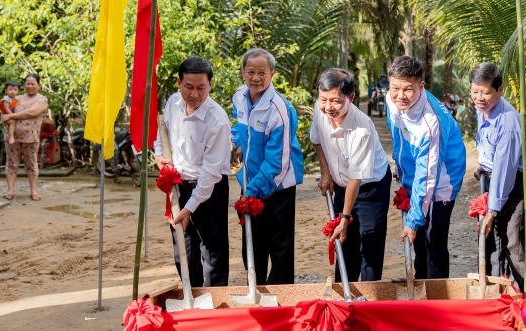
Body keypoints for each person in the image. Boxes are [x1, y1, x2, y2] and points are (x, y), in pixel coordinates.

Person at [386, 56, 466, 279]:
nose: (400, 96)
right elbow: (397, 134)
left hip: (442, 182)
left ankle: (438, 299)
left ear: (421, 87)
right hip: (415, 177)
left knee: (433, 244)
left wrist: (412, 220)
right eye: (395, 88)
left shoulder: (430, 124)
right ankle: (421, 289)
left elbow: (428, 177)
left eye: (408, 89)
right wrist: (401, 172)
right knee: (418, 243)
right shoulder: (391, 100)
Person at [154, 57, 231, 287]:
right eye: (188, 87)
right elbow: (162, 135)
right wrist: (159, 155)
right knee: (183, 251)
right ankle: (194, 297)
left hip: (210, 191)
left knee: (212, 252)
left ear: (210, 84)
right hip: (179, 186)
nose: (194, 94)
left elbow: (210, 175)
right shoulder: (173, 103)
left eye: (201, 88)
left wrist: (189, 209)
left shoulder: (217, 120)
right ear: (178, 83)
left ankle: (216, 305)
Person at [231, 48, 304, 285]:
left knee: (279, 247)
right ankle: (257, 289)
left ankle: (282, 299)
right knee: (252, 242)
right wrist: (235, 141)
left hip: (277, 186)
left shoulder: (279, 109)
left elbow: (277, 162)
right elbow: (238, 123)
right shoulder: (240, 96)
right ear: (243, 73)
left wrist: (253, 191)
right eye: (251, 72)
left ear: (272, 74)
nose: (256, 78)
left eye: (262, 73)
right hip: (251, 182)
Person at [311, 68, 391, 282]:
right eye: (323, 100)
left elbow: (356, 179)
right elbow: (317, 139)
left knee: (369, 241)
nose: (328, 107)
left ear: (351, 98)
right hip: (341, 182)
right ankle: (344, 291)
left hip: (370, 186)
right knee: (344, 242)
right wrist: (326, 173)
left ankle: (369, 296)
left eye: (336, 101)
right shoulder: (320, 110)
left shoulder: (361, 129)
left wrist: (345, 218)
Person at [470, 61, 526, 293]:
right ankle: (493, 293)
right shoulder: (483, 110)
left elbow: (506, 169)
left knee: (512, 239)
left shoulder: (509, 122)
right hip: (494, 176)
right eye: (475, 91)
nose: (480, 98)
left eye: (486, 92)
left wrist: (492, 211)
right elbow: (489, 148)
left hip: (517, 181)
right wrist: (483, 165)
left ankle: (521, 296)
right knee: (490, 239)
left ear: (500, 90)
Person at [1, 74, 48, 201]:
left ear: (38, 85)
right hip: (12, 137)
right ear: (24, 85)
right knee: (11, 163)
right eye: (28, 83)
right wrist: (5, 117)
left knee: (31, 164)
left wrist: (11, 116)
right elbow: (6, 112)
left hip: (30, 138)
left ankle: (34, 191)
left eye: (33, 83)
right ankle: (10, 191)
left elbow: (32, 112)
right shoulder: (16, 98)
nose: (30, 86)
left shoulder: (42, 100)